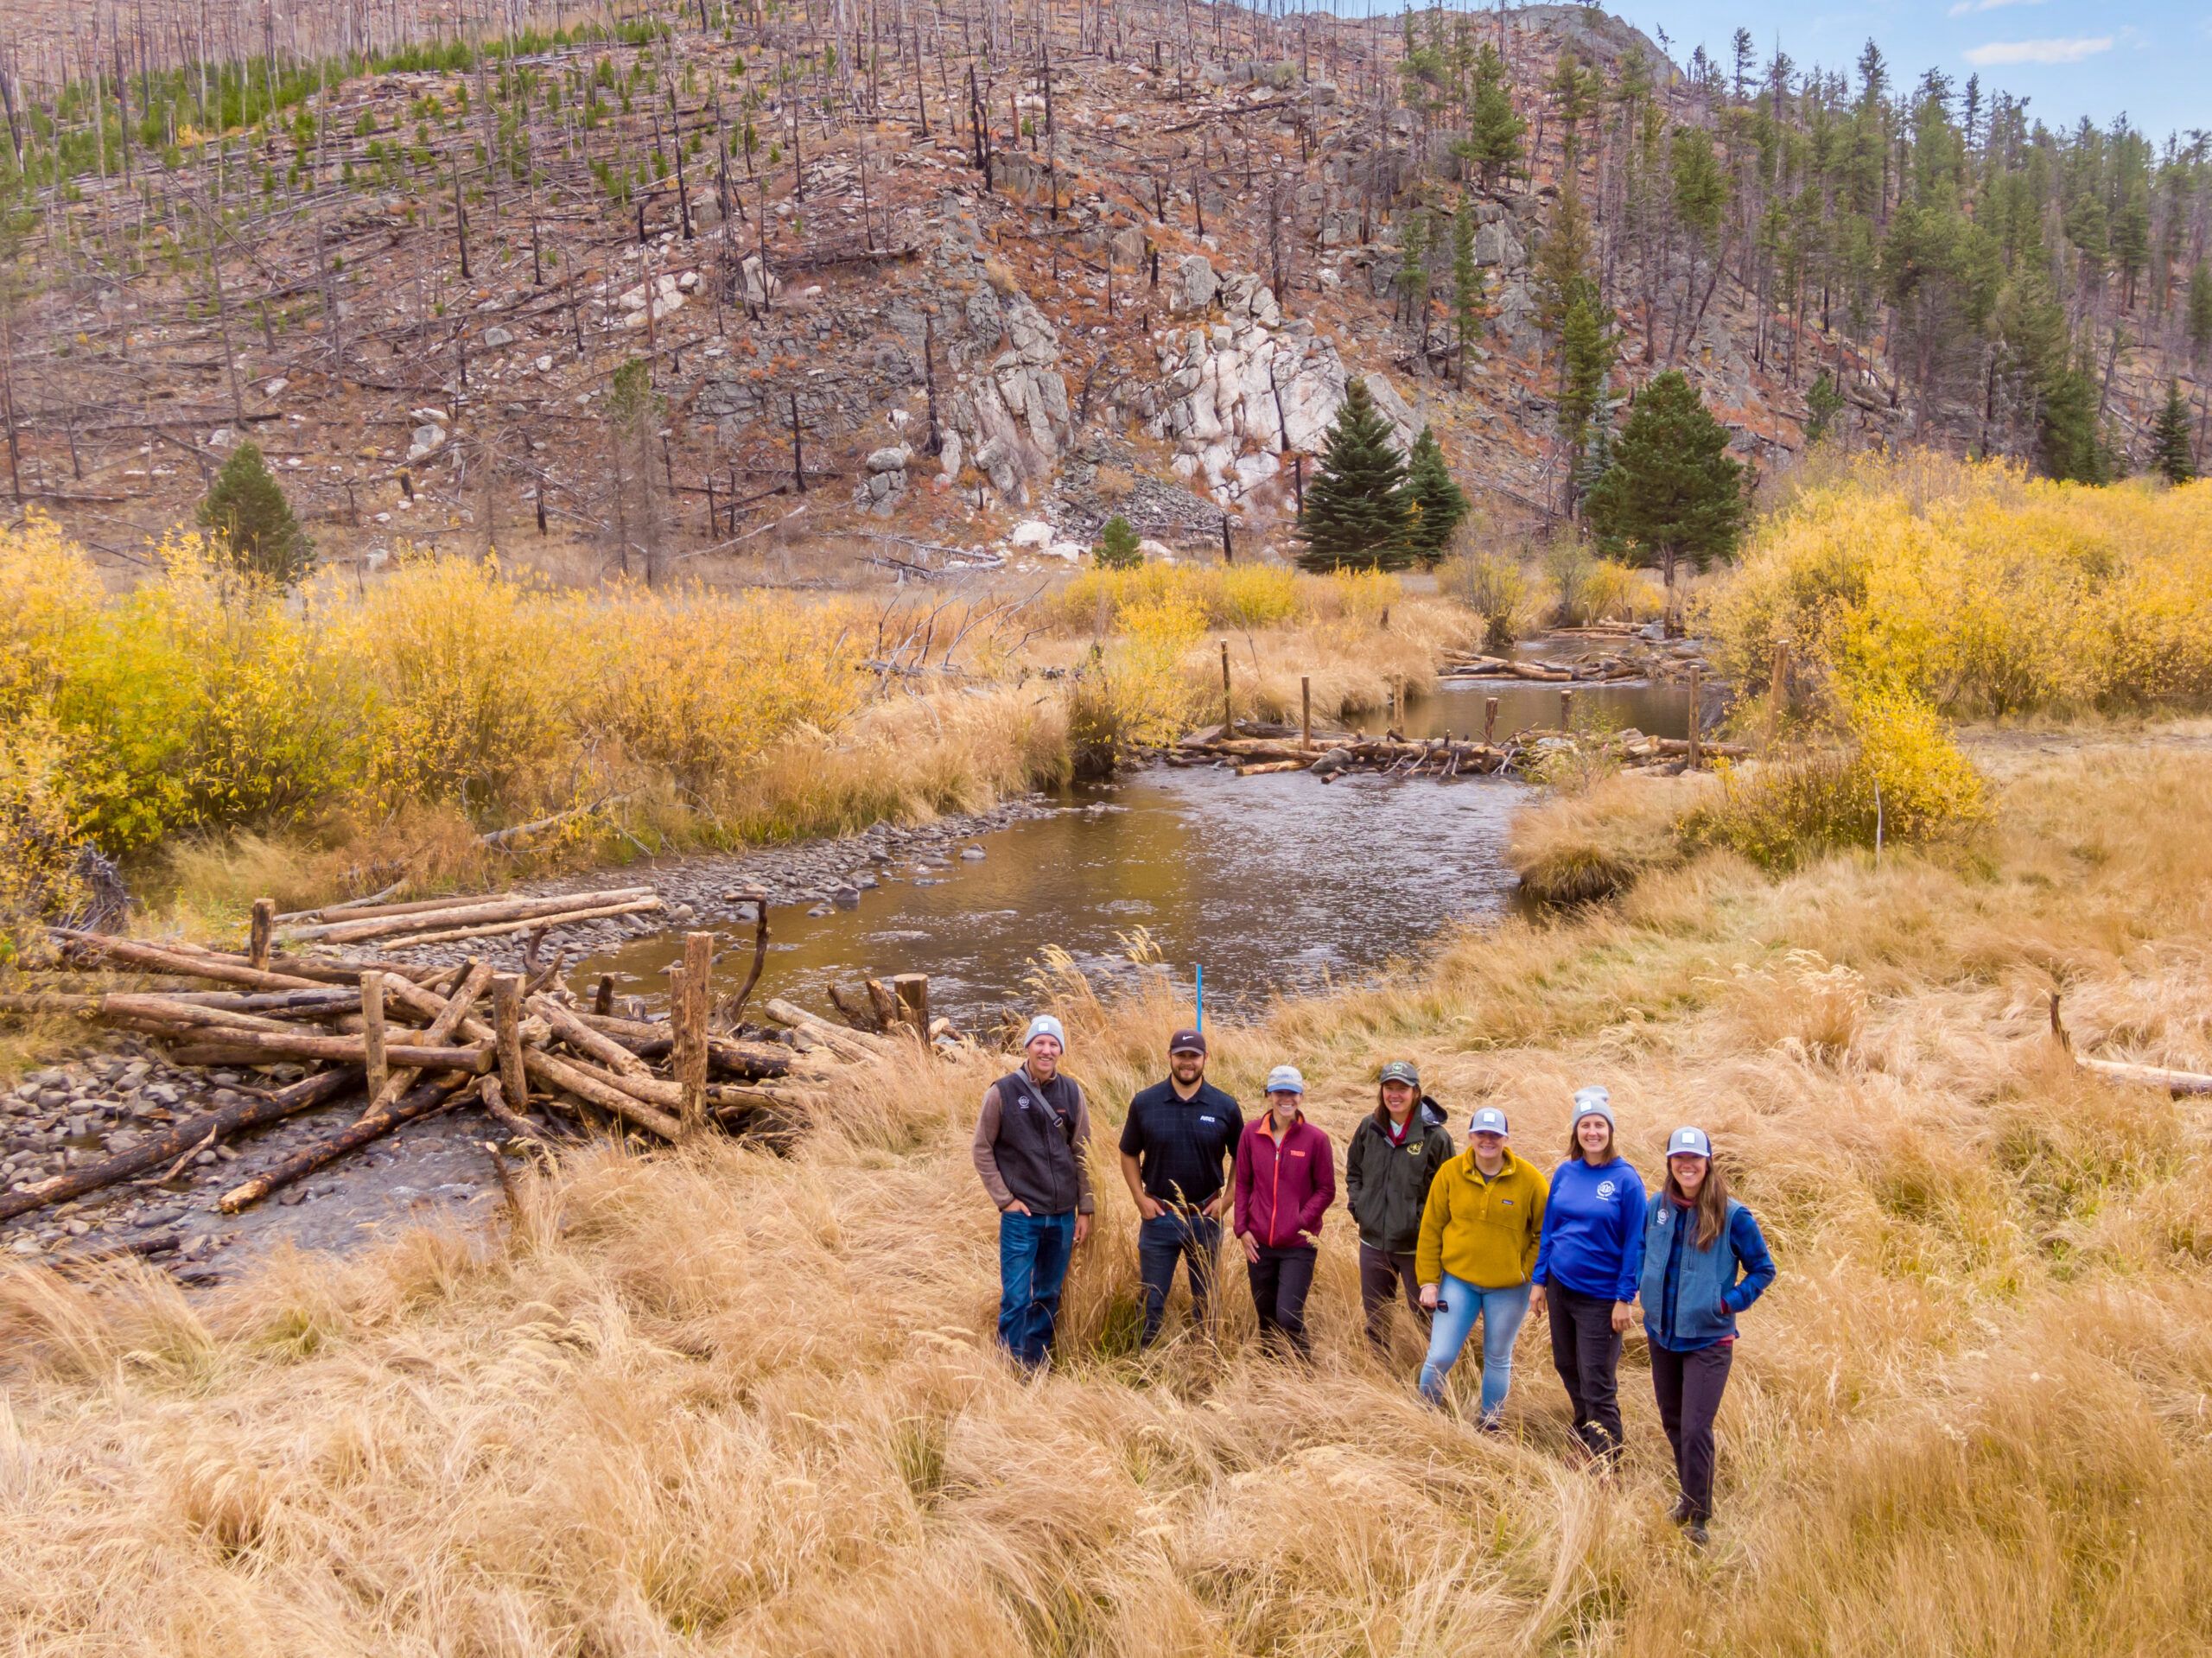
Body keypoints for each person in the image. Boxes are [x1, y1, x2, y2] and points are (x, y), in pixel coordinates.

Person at [1637, 1126, 1777, 1547]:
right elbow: (1644, 1250)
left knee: (1697, 1427)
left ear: (1708, 1162)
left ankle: (1698, 1518)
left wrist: (1727, 1303)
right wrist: (1644, 1288)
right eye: (1679, 1158)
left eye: (1694, 1158)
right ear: (1670, 1163)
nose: (1686, 1165)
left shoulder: (1733, 1215)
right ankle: (1688, 1496)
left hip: (1708, 1339)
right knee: (1673, 1421)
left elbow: (1763, 1269)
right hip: (1662, 1333)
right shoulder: (1657, 1206)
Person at [1529, 1085, 1648, 1465]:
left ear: (1611, 1131)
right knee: (1566, 1365)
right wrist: (1539, 1281)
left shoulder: (1626, 1179)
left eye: (1599, 1125)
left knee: (1597, 1379)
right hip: (1561, 1288)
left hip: (1602, 1298)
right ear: (1576, 1132)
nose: (1592, 1132)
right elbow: (1551, 1228)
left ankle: (1607, 1461)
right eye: (1585, 1125)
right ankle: (1584, 1438)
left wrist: (1624, 1298)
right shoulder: (1566, 1172)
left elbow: (1635, 1243)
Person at [972, 1014, 1095, 1370]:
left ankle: (1035, 1364)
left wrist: (1084, 1208)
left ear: (1060, 1051)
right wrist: (1005, 1200)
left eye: (1053, 1044)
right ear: (1027, 1047)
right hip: (1021, 1218)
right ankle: (1007, 1367)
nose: (1046, 1049)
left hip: (1062, 1217)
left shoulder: (1072, 1092)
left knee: (1047, 1295)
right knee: (1015, 1298)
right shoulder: (1002, 1092)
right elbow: (981, 1148)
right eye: (1039, 1043)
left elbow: (1083, 1151)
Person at [1414, 1105, 1547, 1425]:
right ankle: (1424, 1416)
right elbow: (1431, 1227)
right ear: (1471, 1136)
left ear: (1505, 1139)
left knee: (1498, 1358)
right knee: (1440, 1355)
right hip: (1459, 1281)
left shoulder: (1530, 1180)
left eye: (1495, 1135)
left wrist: (1526, 1273)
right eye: (1481, 1134)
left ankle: (1490, 1423)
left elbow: (1544, 1232)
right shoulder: (1450, 1172)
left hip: (1508, 1288)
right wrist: (1429, 1281)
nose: (1487, 1141)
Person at [1119, 1028, 1244, 1347]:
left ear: (1205, 1059)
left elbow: (1244, 1159)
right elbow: (1128, 1152)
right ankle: (1143, 1360)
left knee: (1206, 1299)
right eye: (1181, 1056)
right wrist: (1139, 1199)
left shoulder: (1224, 1106)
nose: (1187, 1063)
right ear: (1170, 1058)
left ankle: (1205, 1358)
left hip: (1205, 1215)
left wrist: (1227, 1200)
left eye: (1194, 1056)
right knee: (1151, 1298)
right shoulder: (1145, 1102)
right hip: (1159, 1216)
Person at [1344, 1060, 1453, 1354]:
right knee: (1377, 1319)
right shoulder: (1370, 1127)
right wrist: (1360, 1207)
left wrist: (1421, 1223)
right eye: (1389, 1088)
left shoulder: (1436, 1137)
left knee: (1426, 1320)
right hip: (1373, 1242)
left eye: (1402, 1089)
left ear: (1415, 1093)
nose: (1395, 1095)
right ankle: (1381, 1377)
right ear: (1381, 1091)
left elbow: (1447, 1193)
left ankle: (1432, 1378)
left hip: (1416, 1247)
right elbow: (1354, 1170)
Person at [1231, 1064, 1335, 1358]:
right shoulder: (1251, 1134)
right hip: (1259, 1244)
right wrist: (1242, 1229)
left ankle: (1303, 1370)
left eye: (1292, 1093)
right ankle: (1272, 1377)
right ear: (1269, 1095)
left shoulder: (1316, 1140)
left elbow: (1326, 1190)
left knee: (1288, 1316)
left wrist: (1299, 1223)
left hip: (1298, 1246)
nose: (1285, 1099)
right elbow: (1243, 1184)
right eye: (1279, 1093)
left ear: (1301, 1096)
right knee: (1266, 1319)